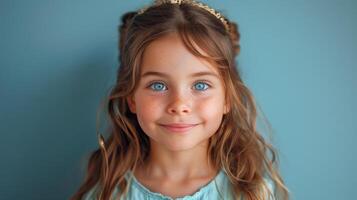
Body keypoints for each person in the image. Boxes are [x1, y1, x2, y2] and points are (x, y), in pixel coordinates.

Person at [71, 0, 290, 199]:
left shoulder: (253, 194)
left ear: (227, 98)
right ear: (131, 98)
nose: (179, 105)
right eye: (158, 85)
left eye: (200, 85)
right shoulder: (107, 193)